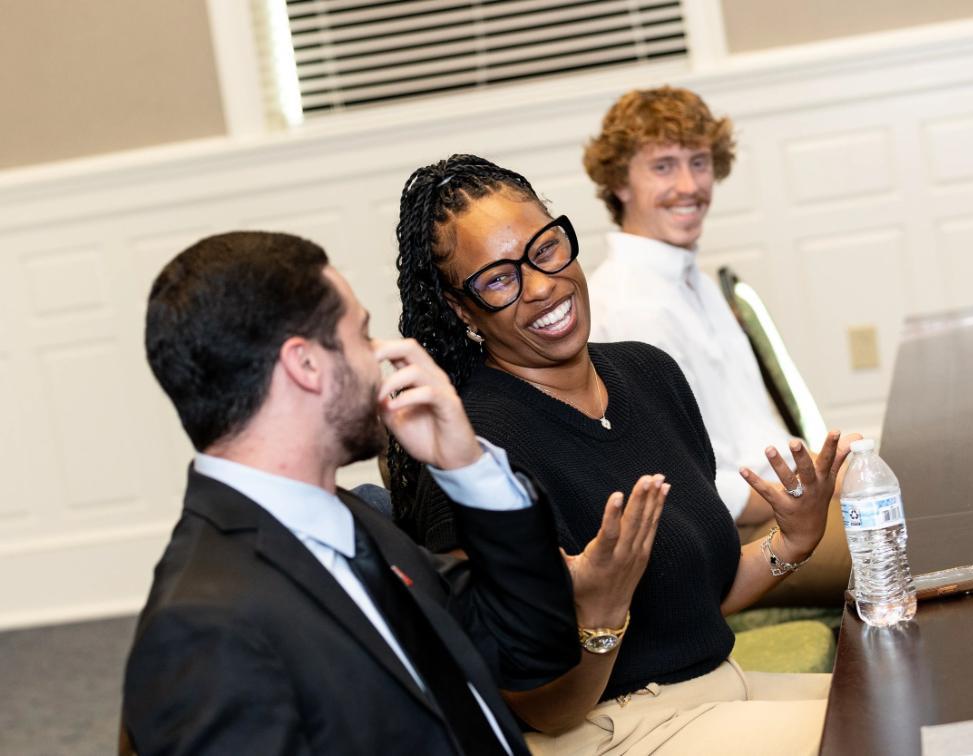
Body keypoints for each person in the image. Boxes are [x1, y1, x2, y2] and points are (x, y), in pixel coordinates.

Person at [390, 155, 855, 754]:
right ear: (461, 309)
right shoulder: (470, 451)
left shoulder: (647, 372)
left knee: (919, 697)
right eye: (499, 279)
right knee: (892, 733)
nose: (540, 284)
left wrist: (791, 541)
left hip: (721, 690)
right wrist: (600, 616)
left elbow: (693, 600)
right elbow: (542, 710)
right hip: (613, 729)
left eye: (546, 248)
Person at [123, 231, 604, 755]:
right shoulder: (203, 626)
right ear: (305, 365)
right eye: (363, 335)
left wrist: (467, 467)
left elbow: (532, 647)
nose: (381, 357)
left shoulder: (345, 519)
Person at [582, 86, 851, 606]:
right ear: (619, 183)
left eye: (699, 162)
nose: (688, 186)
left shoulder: (694, 282)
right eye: (663, 167)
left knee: (919, 500)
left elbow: (753, 434)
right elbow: (686, 484)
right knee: (908, 534)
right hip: (729, 540)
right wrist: (814, 498)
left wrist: (831, 481)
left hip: (780, 504)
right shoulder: (631, 306)